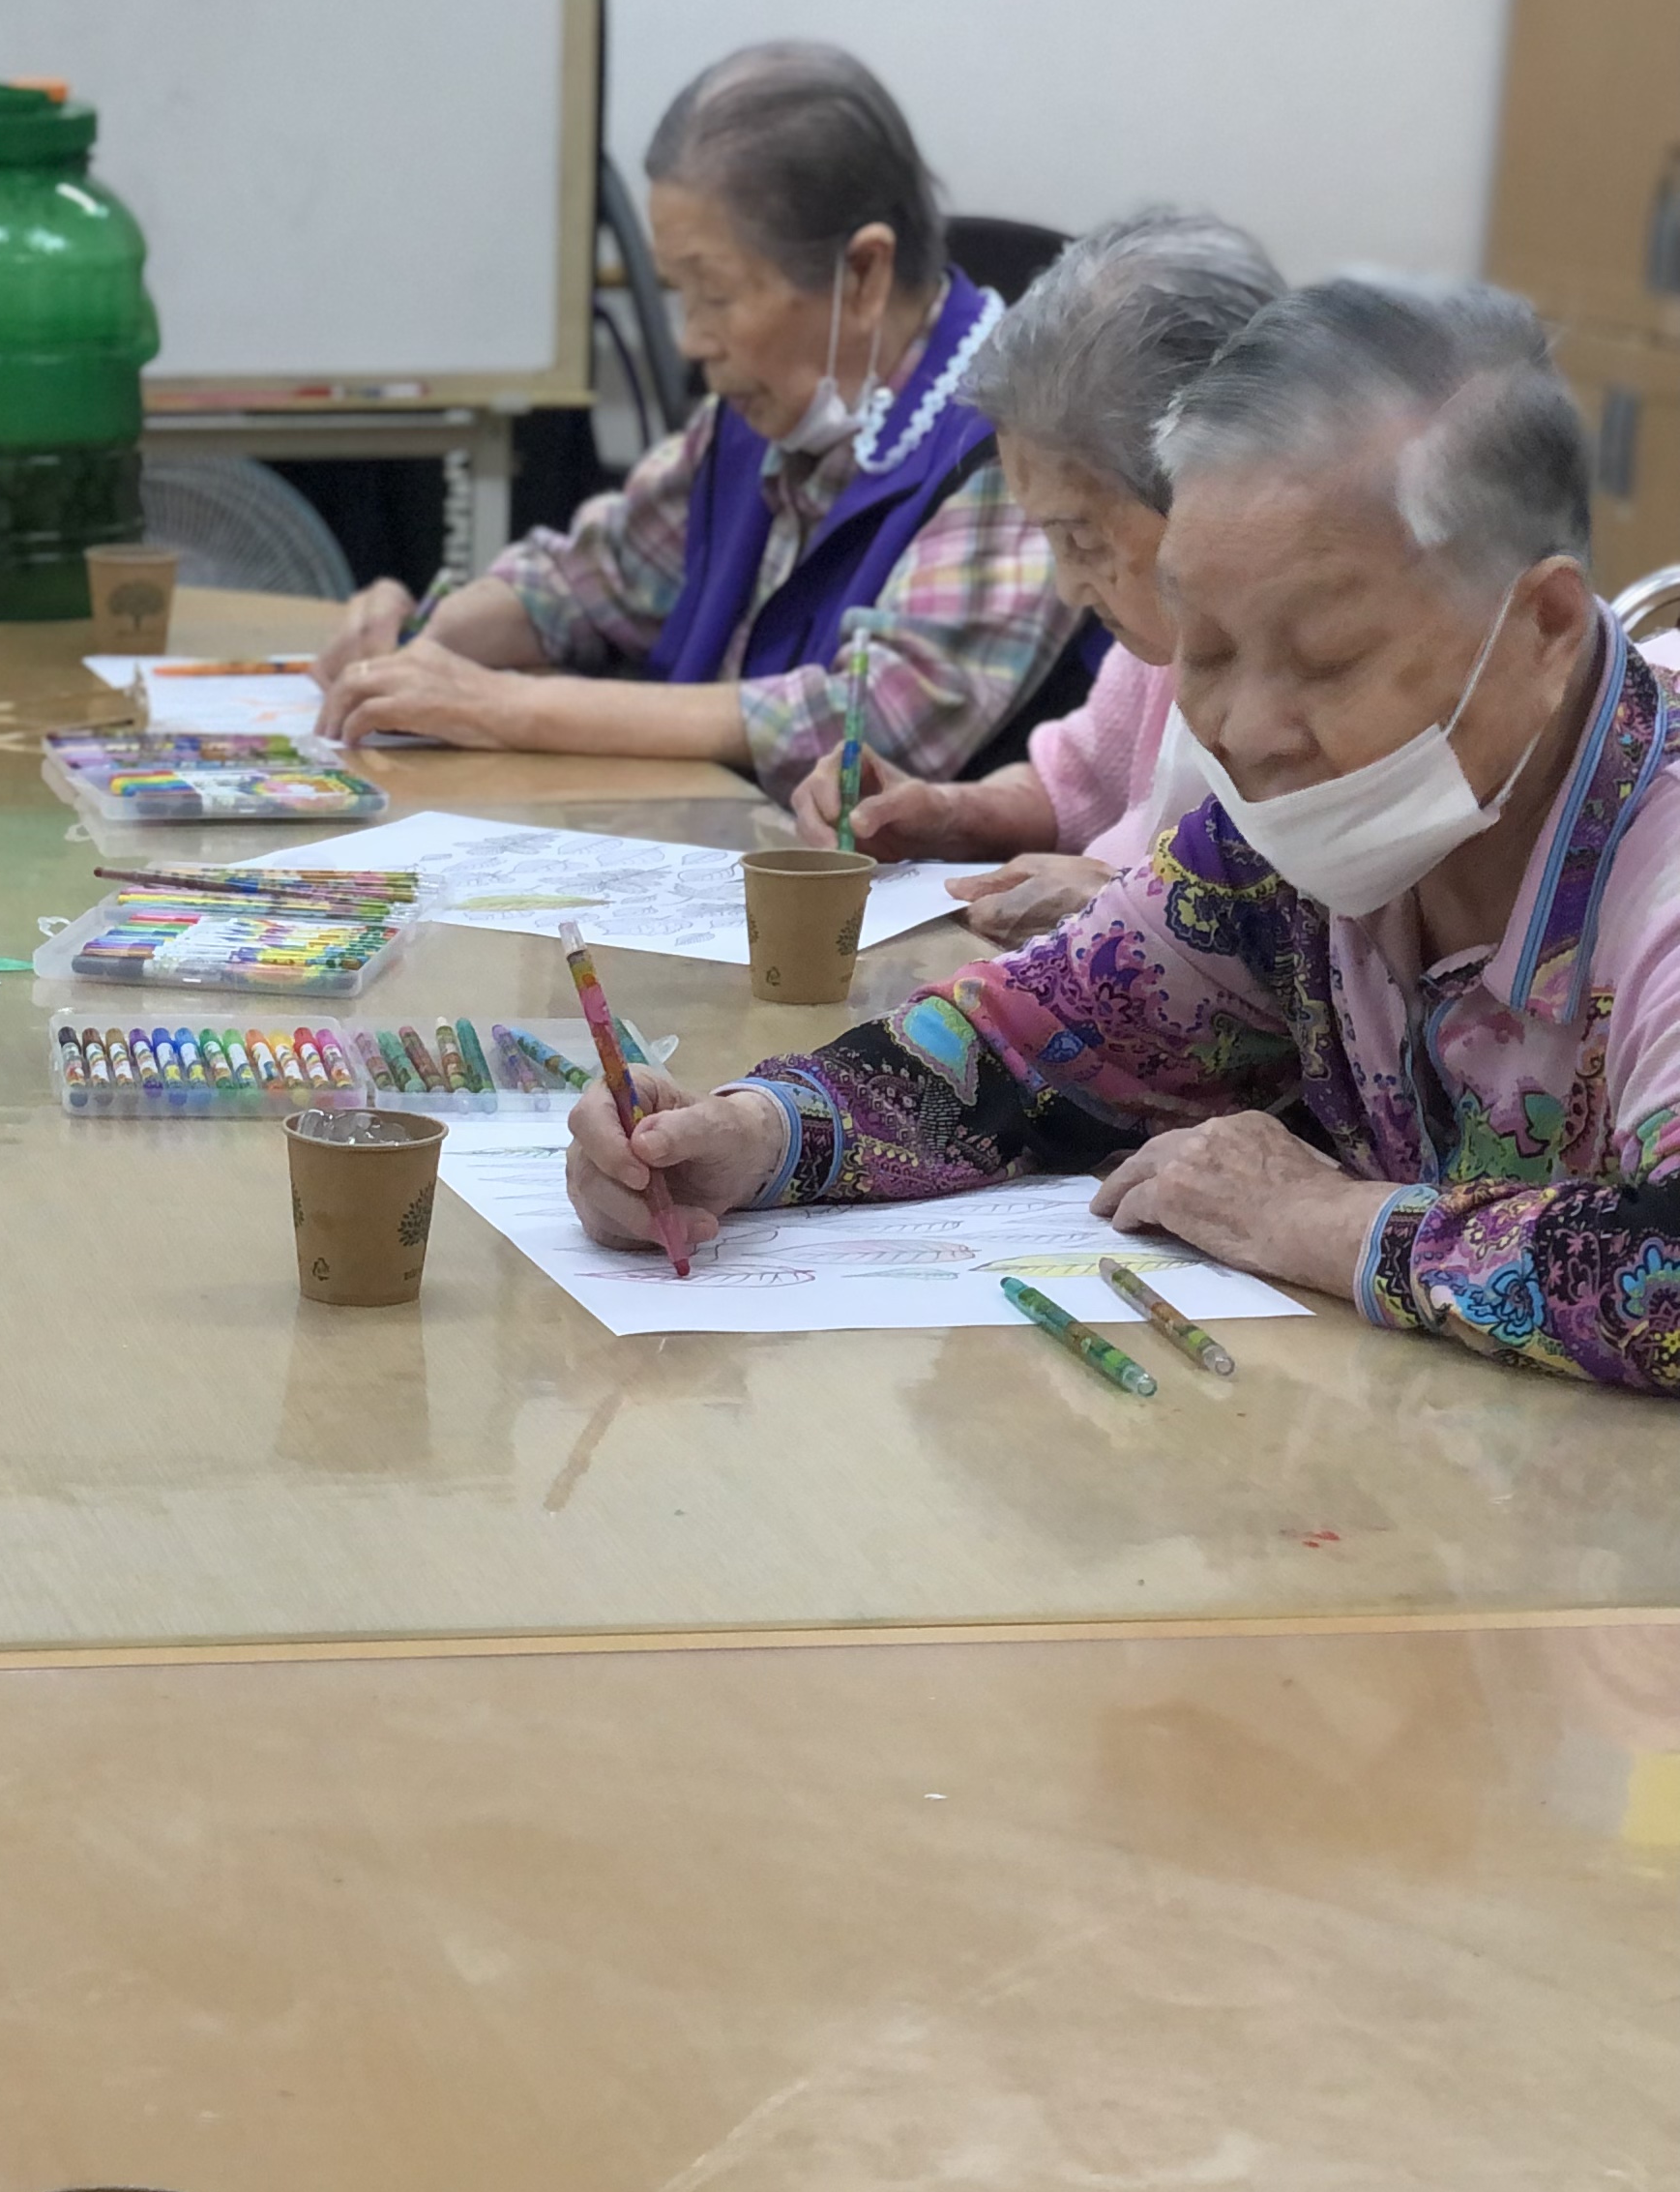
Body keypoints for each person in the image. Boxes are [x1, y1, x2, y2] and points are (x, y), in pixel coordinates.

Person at [565, 277, 1680, 1395]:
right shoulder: (1293, 841)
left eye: (1327, 658)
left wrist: (1324, 1221)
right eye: (1206, 648)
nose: (1244, 731)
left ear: (1542, 627)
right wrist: (752, 1136)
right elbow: (1025, 1045)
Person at [312, 43, 1084, 792]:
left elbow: (874, 721)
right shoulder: (762, 415)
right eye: (679, 294)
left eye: (715, 294)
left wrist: (508, 707)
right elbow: (591, 578)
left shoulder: (1016, 439)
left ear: (863, 272)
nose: (691, 340)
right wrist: (423, 640)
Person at [787, 210, 1284, 941]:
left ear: (1211, 485)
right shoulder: (1164, 648)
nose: (1067, 588)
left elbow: (1317, 940)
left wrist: (1129, 904)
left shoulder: (1312, 685)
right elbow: (1074, 782)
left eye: (1082, 540)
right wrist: (946, 815)